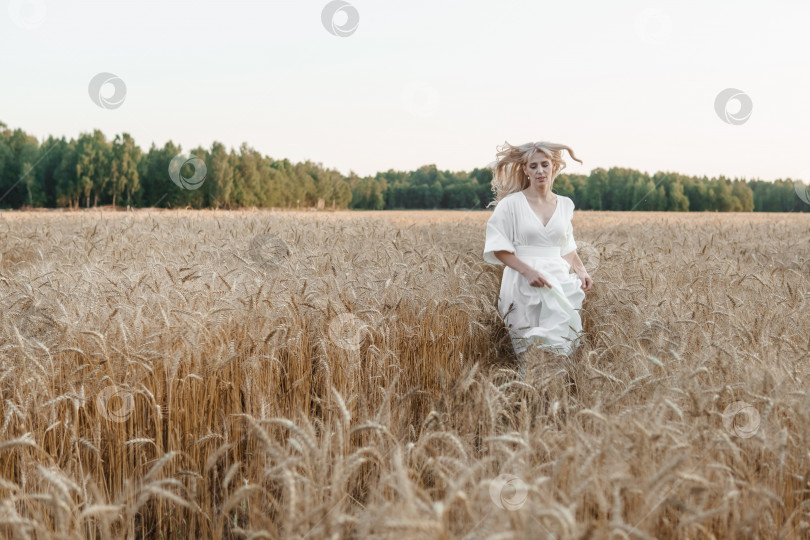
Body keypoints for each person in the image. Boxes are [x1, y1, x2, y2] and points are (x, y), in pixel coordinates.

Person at [483, 141, 593, 375]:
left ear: (554, 167)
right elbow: (498, 247)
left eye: (545, 165)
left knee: (559, 348)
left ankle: (553, 401)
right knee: (528, 352)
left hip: (557, 282)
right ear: (525, 170)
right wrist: (527, 271)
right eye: (533, 166)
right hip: (522, 283)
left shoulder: (565, 204)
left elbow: (566, 245)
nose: (540, 171)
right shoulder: (510, 205)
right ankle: (527, 401)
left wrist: (581, 270)